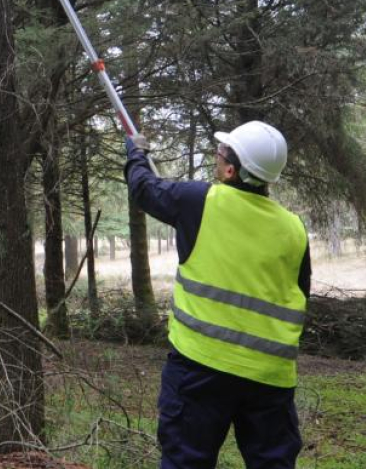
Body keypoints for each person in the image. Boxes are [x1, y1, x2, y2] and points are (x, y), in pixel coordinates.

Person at [124, 121, 311, 469]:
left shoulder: (199, 201)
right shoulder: (294, 228)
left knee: (186, 462)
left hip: (200, 368)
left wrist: (136, 154)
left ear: (230, 169)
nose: (216, 155)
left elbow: (144, 189)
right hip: (269, 377)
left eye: (221, 152)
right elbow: (300, 294)